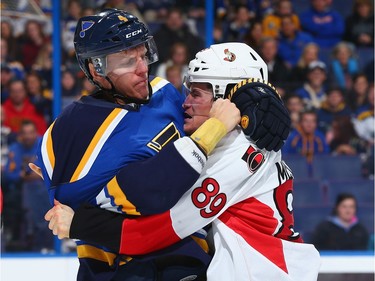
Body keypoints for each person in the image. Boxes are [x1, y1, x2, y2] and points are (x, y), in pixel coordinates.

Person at [34, 9, 291, 281]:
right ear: (96, 69)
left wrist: (258, 99)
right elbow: (147, 195)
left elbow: (209, 102)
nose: (143, 68)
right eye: (127, 60)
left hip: (189, 260)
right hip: (118, 269)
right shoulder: (70, 129)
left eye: (143, 55)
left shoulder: (163, 92)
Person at [43, 75, 320, 280]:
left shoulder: (232, 159)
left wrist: (80, 223)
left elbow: (159, 229)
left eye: (197, 94)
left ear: (226, 101)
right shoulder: (253, 137)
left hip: (263, 271)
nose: (185, 102)